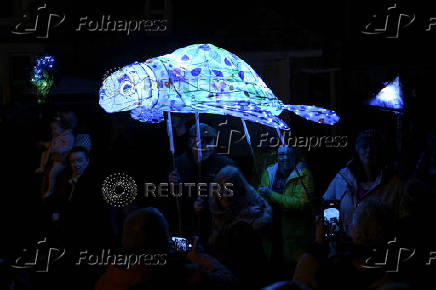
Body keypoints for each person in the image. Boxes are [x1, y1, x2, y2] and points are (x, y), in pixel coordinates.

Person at [96, 207, 237, 290]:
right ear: (164, 244)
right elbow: (230, 282)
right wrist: (197, 255)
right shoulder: (180, 273)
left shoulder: (112, 275)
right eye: (166, 235)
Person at [293, 197, 406, 290]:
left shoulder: (333, 271)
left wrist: (317, 245)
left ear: (357, 234)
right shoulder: (397, 272)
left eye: (351, 224)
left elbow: (302, 283)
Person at [323, 130, 404, 237]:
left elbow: (402, 219)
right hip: (343, 248)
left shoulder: (394, 183)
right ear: (357, 150)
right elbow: (329, 204)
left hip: (379, 250)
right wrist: (333, 235)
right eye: (364, 146)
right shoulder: (342, 178)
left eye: (374, 147)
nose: (369, 150)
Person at [167, 123, 236, 239]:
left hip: (216, 232)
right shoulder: (177, 164)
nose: (204, 147)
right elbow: (170, 202)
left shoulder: (226, 166)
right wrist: (172, 185)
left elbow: (235, 201)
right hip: (185, 229)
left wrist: (209, 205)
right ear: (190, 142)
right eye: (199, 141)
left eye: (209, 141)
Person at [208, 166, 271, 288]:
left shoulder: (250, 200)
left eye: (230, 188)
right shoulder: (213, 206)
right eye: (222, 188)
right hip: (222, 269)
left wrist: (247, 220)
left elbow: (265, 218)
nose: (225, 194)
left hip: (249, 269)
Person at [258, 145, 314, 278]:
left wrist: (271, 195)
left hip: (293, 236)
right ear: (277, 156)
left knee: (291, 274)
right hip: (271, 234)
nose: (285, 158)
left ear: (295, 156)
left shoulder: (303, 175)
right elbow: (260, 198)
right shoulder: (269, 172)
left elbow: (300, 204)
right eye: (281, 154)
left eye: (289, 154)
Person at [37, 112, 77, 199]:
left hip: (60, 161)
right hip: (54, 156)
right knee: (44, 154)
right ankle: (42, 167)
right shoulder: (57, 136)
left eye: (55, 129)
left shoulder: (68, 136)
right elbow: (52, 144)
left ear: (63, 127)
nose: (53, 131)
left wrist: (59, 150)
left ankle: (50, 190)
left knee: (52, 174)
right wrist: (47, 145)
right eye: (52, 129)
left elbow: (68, 147)